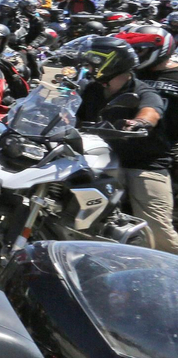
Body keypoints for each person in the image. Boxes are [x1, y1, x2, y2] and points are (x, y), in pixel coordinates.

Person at [66, 36, 178, 254]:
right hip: (97, 159)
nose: (87, 68)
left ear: (108, 64)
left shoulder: (143, 91)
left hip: (143, 164)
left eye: (91, 63)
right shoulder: (91, 89)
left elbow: (151, 110)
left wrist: (139, 122)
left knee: (159, 234)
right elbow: (69, 112)